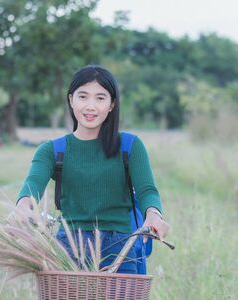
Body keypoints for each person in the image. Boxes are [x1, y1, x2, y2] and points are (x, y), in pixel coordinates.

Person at [13, 64, 170, 274]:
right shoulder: (51, 150)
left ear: (112, 104)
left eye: (100, 98)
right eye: (83, 96)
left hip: (120, 247)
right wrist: (23, 207)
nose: (90, 106)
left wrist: (153, 214)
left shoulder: (130, 146)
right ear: (71, 100)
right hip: (69, 245)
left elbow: (147, 190)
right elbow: (32, 186)